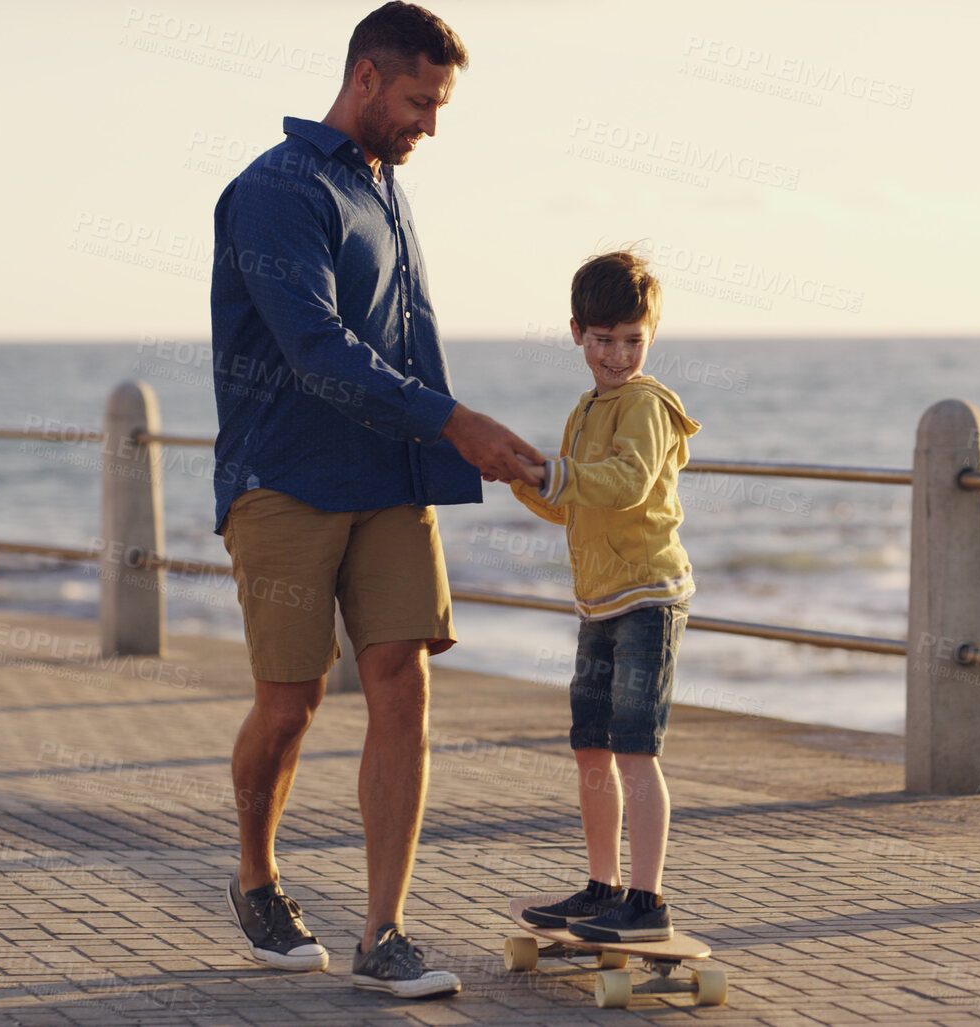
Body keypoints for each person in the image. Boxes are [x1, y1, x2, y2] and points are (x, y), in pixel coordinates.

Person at [208, 2, 542, 999]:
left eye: (438, 105)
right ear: (364, 80)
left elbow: (403, 336)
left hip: (391, 482)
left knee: (403, 680)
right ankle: (258, 876)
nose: (429, 124)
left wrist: (446, 445)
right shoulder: (273, 193)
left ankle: (383, 931)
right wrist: (456, 423)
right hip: (287, 482)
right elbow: (317, 351)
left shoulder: (384, 185)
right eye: (417, 102)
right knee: (291, 703)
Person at [509, 251, 701, 942]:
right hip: (599, 603)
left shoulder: (645, 406)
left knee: (633, 750)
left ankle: (647, 901)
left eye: (631, 339)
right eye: (602, 339)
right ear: (575, 333)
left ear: (649, 334)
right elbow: (571, 508)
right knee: (590, 746)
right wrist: (524, 480)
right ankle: (602, 886)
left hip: (648, 597)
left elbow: (623, 482)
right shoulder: (586, 409)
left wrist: (554, 473)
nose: (617, 355)